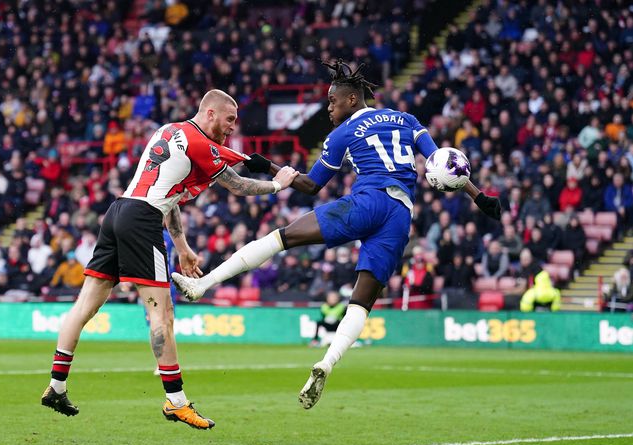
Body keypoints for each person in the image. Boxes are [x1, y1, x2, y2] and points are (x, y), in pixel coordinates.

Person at [171, 60, 502, 409]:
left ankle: (202, 285)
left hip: (368, 201)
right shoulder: (407, 121)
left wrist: (266, 165)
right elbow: (444, 163)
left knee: (283, 238)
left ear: (353, 100)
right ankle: (326, 363)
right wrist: (478, 196)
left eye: (332, 101)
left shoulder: (342, 134)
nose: (328, 108)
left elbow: (311, 185)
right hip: (400, 217)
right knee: (362, 300)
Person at [40, 89, 298, 430]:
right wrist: (277, 186)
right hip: (142, 220)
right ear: (209, 113)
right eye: (229, 120)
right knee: (163, 315)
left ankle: (57, 386)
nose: (231, 128)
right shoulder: (203, 145)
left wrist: (182, 246)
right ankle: (176, 401)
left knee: (84, 305)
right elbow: (238, 185)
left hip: (118, 211)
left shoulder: (169, 130)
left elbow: (169, 195)